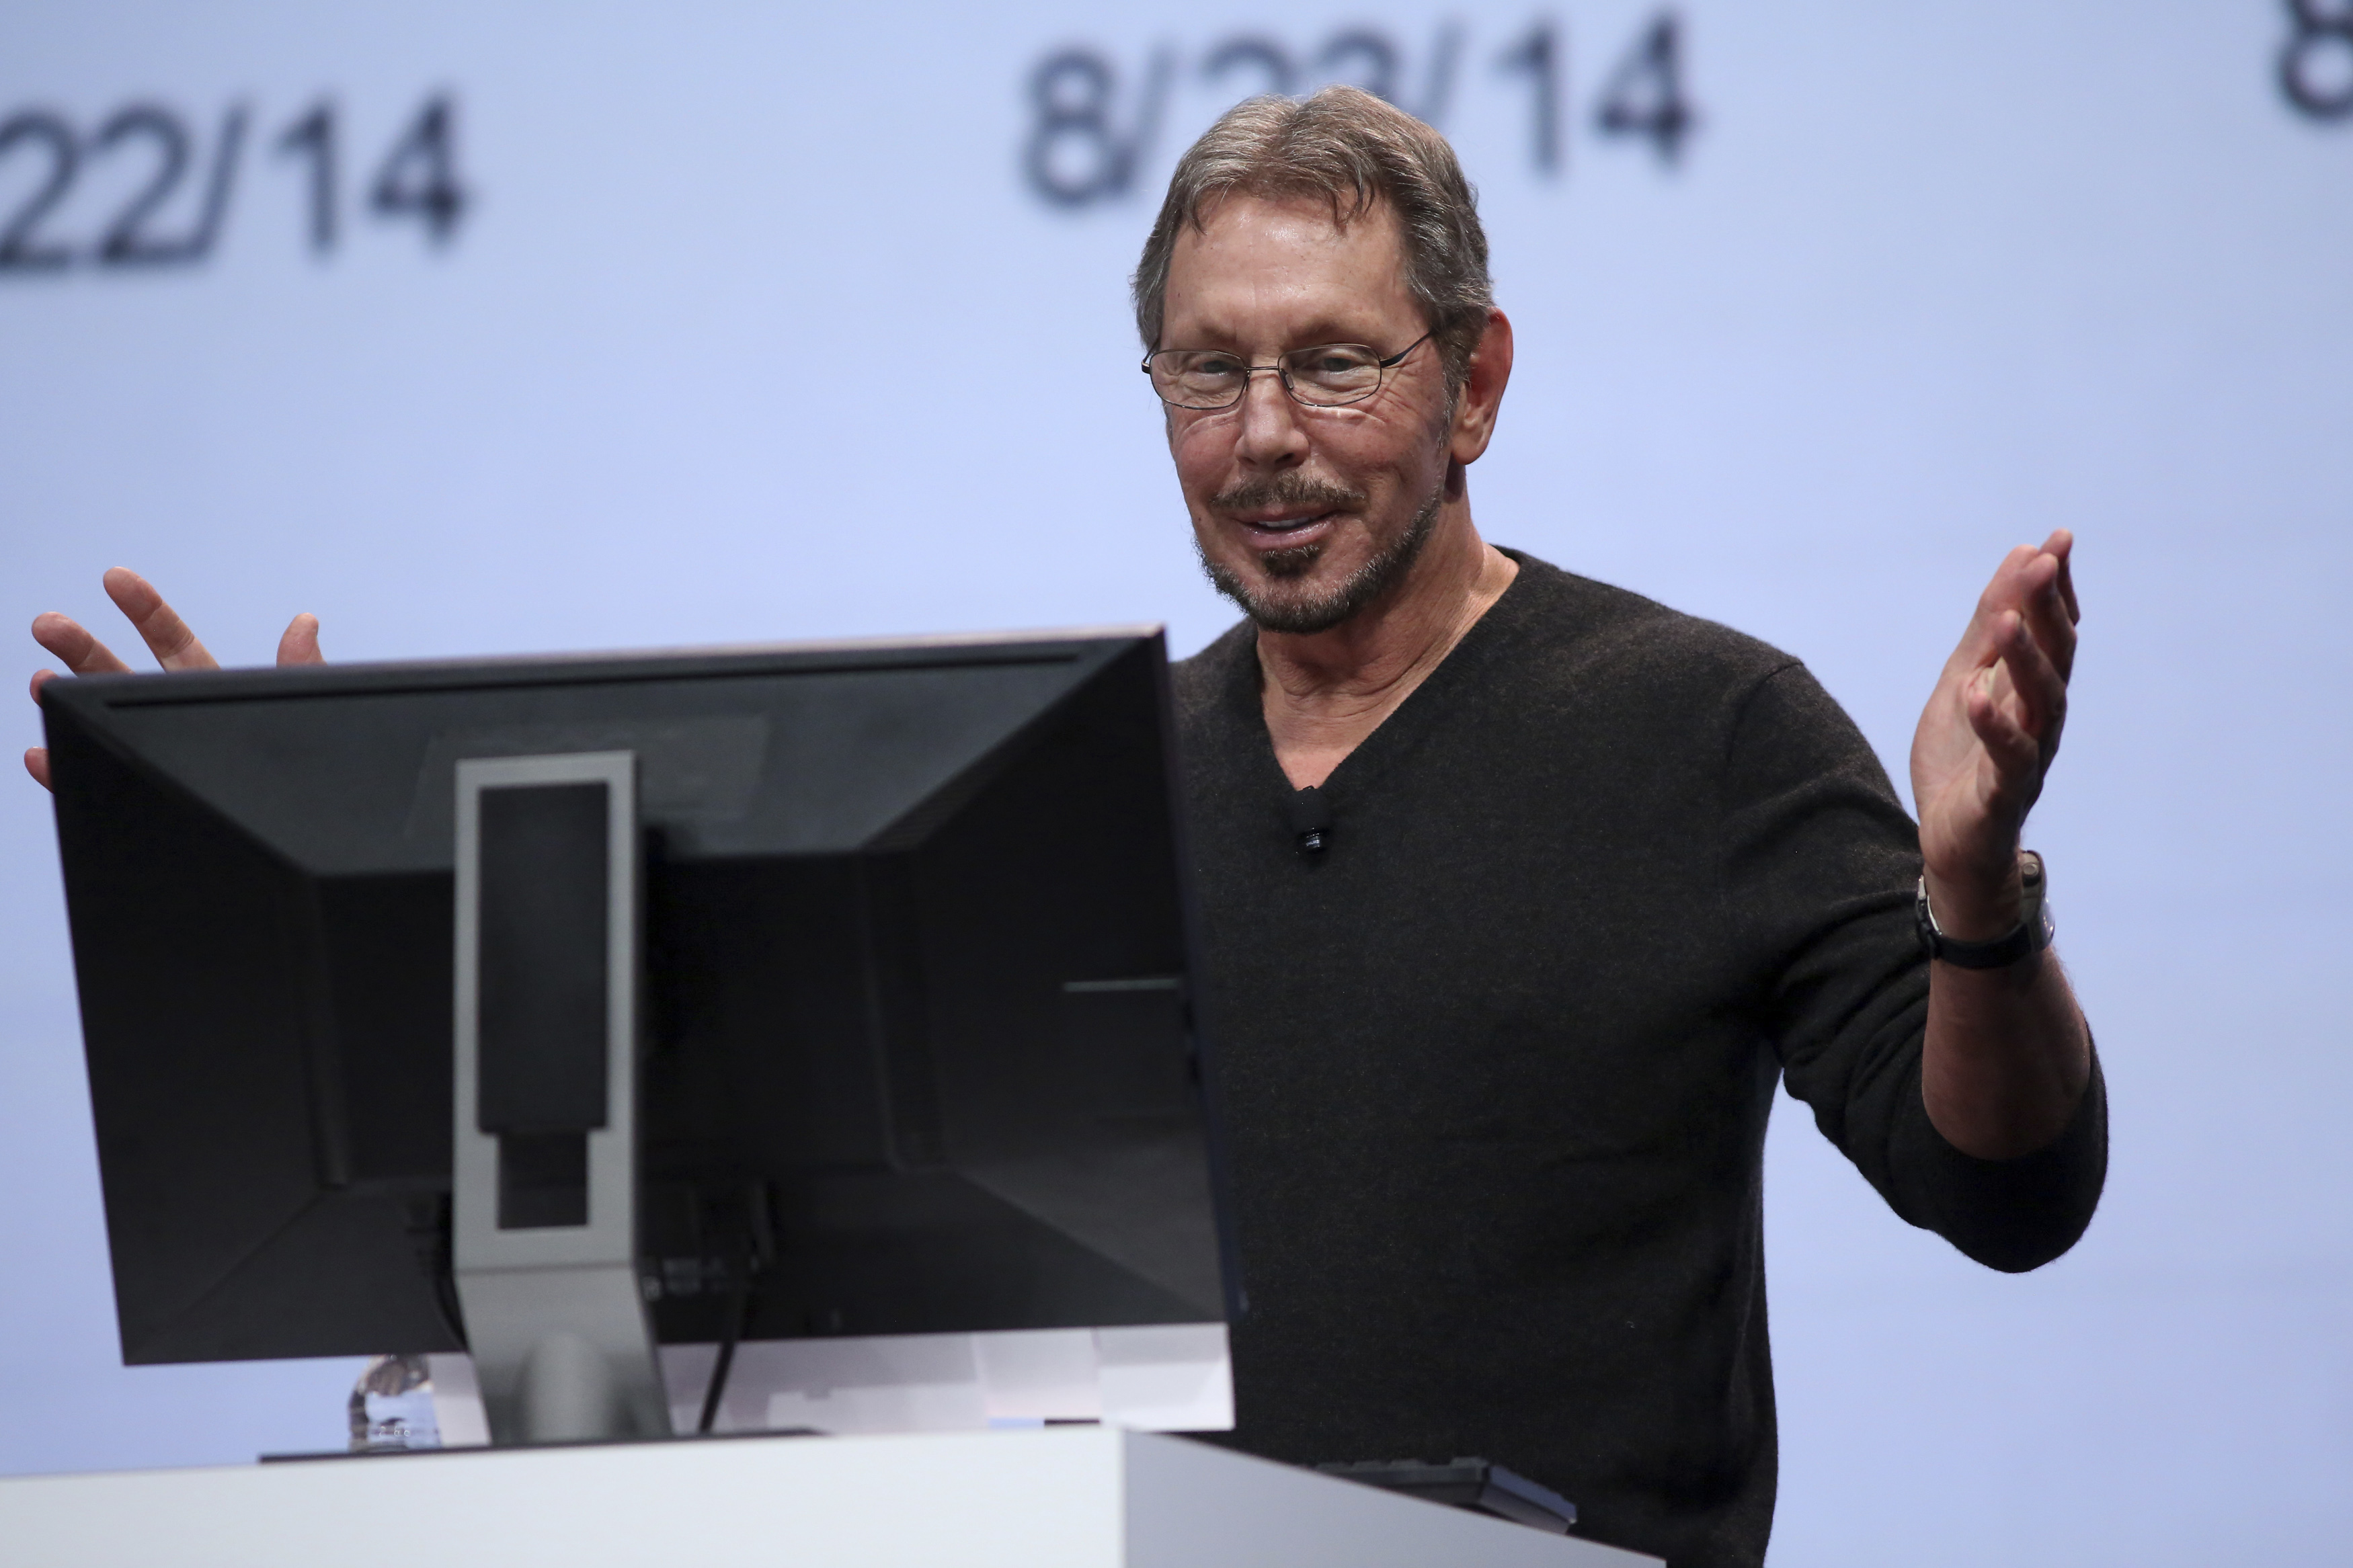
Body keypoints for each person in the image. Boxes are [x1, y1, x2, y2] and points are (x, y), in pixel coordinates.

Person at [26, 87, 2102, 1568]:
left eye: (1333, 367)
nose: (1263, 438)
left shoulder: (1701, 727)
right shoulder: (1062, 794)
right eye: (1204, 378)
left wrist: (1971, 897)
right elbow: (708, 1226)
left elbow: (2002, 1190)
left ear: (1475, 382)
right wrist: (255, 852)